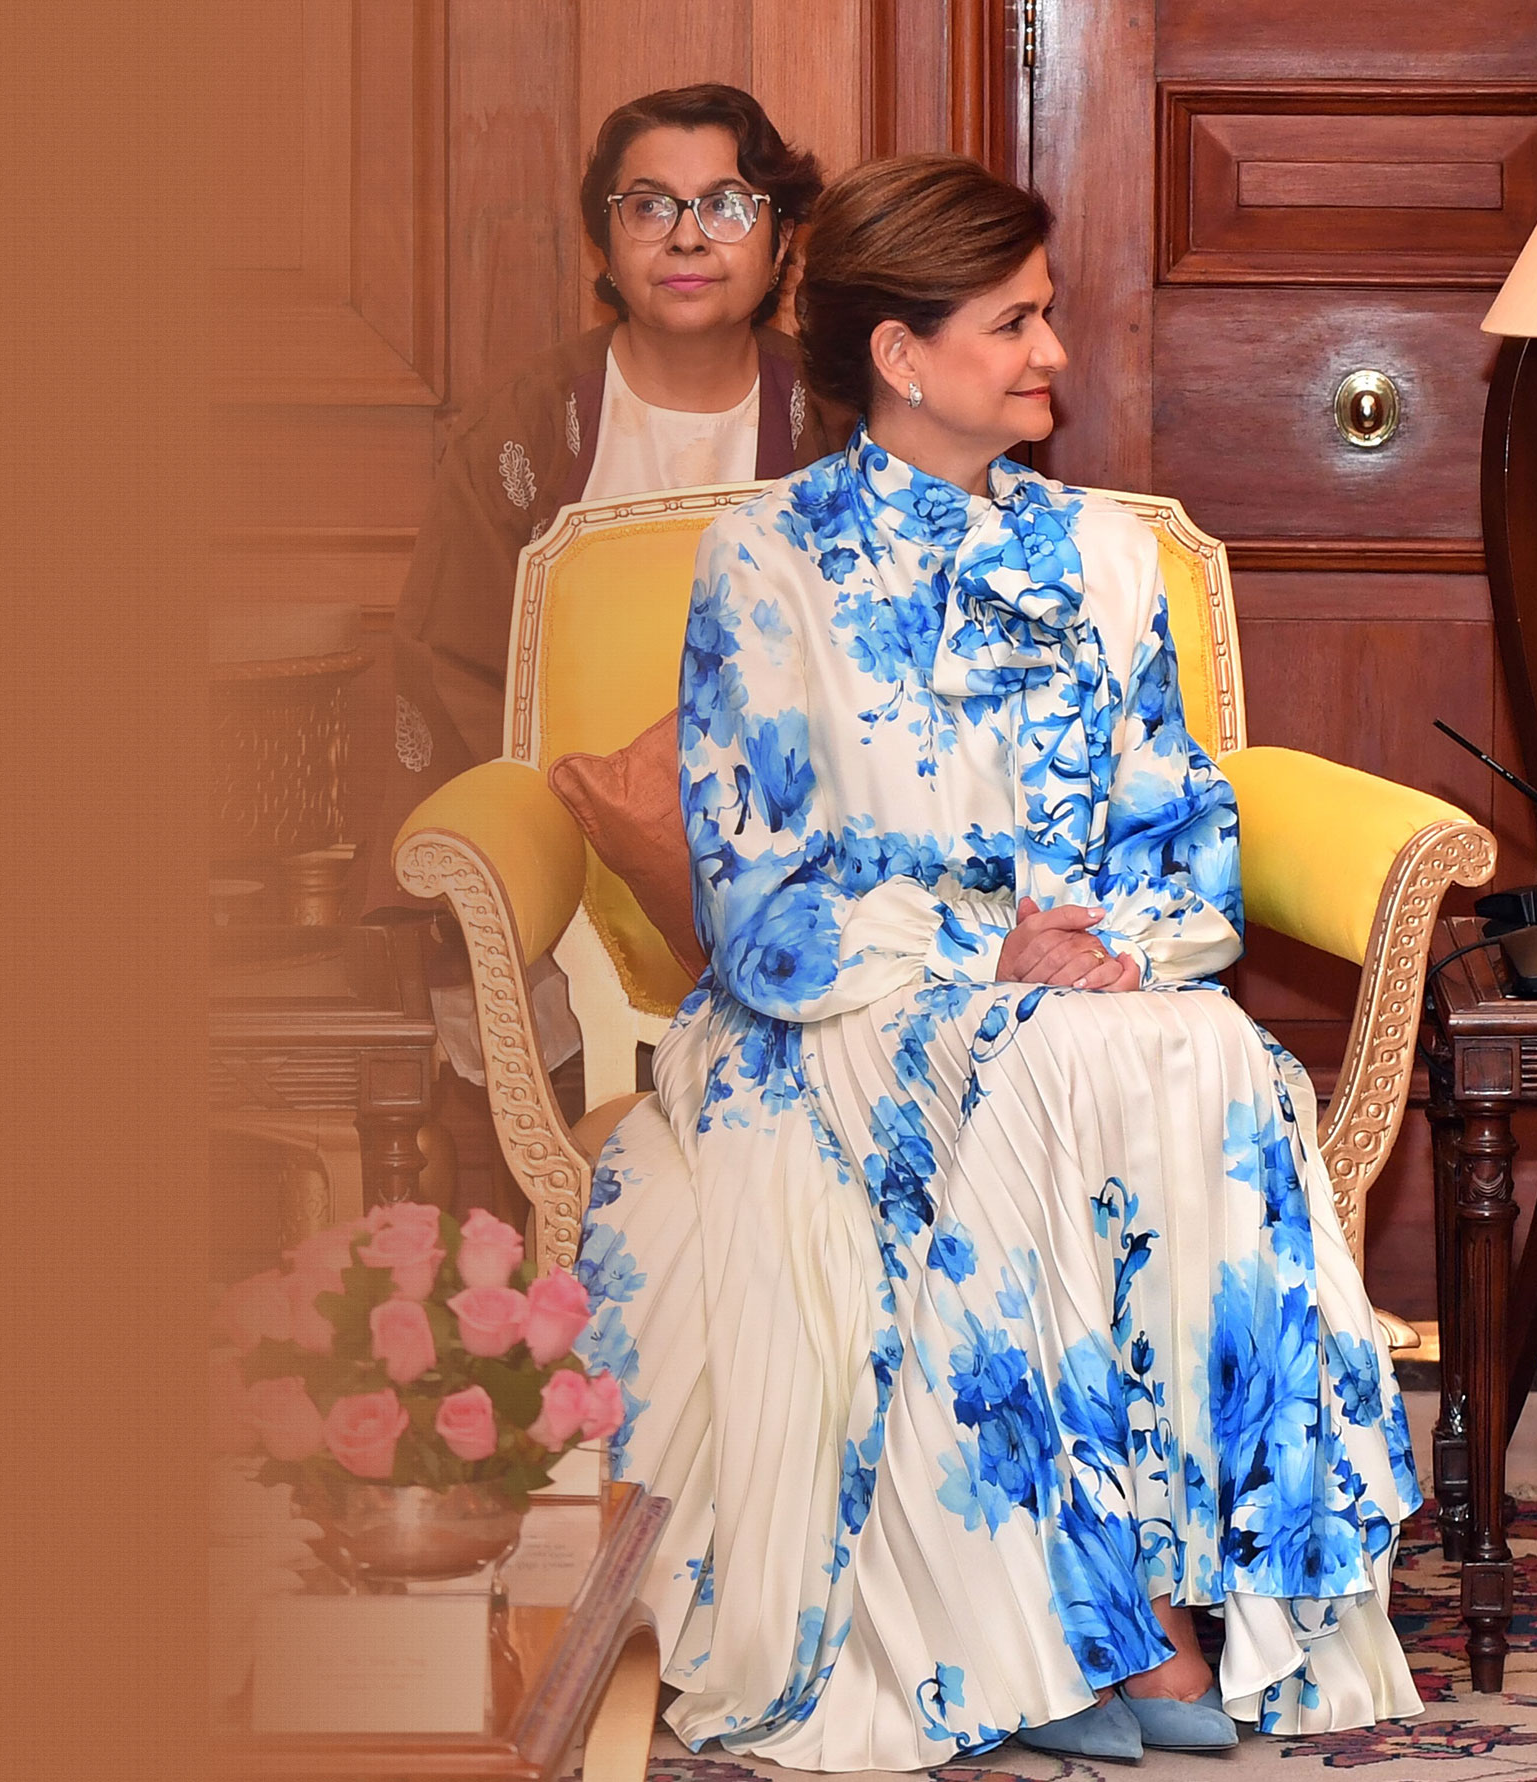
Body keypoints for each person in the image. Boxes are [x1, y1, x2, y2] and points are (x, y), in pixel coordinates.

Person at [570, 153, 1425, 1771]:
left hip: (1090, 996)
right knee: (1050, 1070)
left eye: (1047, 317)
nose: (1051, 355)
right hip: (834, 1015)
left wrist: (1104, 949)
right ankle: (1086, 1631)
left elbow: (1180, 829)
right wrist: (986, 945)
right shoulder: (770, 564)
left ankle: (1187, 1595)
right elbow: (761, 898)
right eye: (1014, 322)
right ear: (901, 355)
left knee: (1210, 1056)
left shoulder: (1107, 555)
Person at [358, 83, 830, 916]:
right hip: (562, 850)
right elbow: (454, 662)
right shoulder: (524, 425)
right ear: (604, 245)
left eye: (727, 206)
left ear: (783, 238)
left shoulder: (838, 422)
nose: (687, 237)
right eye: (649, 208)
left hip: (800, 854)